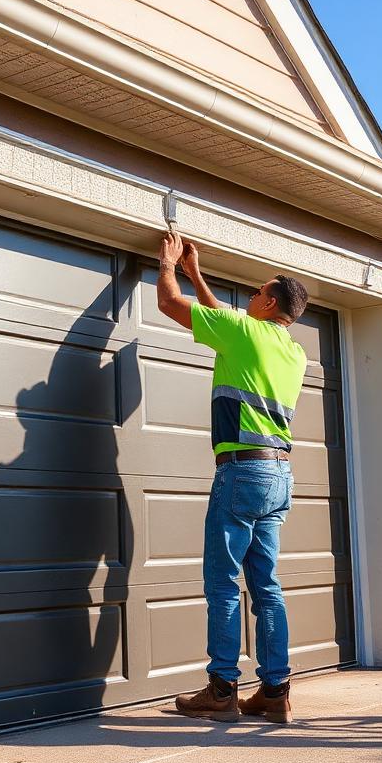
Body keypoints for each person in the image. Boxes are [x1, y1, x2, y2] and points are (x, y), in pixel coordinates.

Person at [156, 231, 309, 724]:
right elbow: (225, 318)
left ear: (269, 303)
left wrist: (168, 264)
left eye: (257, 292)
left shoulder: (243, 332)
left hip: (242, 470)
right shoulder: (291, 350)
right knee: (267, 586)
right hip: (279, 474)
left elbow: (167, 303)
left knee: (223, 583)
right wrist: (197, 274)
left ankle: (221, 691)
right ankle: (275, 691)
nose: (249, 297)